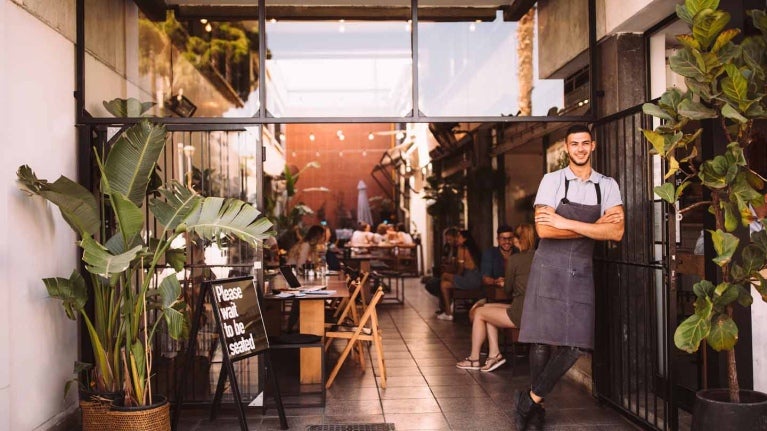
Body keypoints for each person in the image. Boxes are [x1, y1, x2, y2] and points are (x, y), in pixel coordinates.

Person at [514, 124, 624, 430]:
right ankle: (538, 410)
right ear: (566, 148)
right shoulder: (552, 181)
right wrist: (593, 228)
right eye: (574, 144)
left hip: (581, 271)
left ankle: (530, 399)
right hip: (549, 267)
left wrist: (566, 221)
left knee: (575, 344)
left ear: (593, 146)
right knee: (541, 341)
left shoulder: (607, 185)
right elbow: (543, 230)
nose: (580, 148)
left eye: (584, 143)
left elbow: (616, 231)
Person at [456, 224, 536, 372]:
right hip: (532, 309)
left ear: (518, 239)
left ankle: (474, 359)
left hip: (521, 312)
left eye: (512, 238)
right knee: (486, 309)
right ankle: (494, 355)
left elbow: (508, 289)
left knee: (480, 312)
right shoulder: (539, 257)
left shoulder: (516, 258)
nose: (510, 242)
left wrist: (506, 282)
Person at [437, 229, 482, 321]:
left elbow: (460, 270)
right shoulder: (473, 249)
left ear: (464, 239)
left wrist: (454, 278)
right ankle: (449, 311)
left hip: (470, 279)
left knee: (445, 276)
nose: (457, 239)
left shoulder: (462, 249)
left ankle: (447, 308)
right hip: (476, 279)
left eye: (459, 237)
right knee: (444, 284)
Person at [424, 227, 459, 314]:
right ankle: (445, 305)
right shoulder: (447, 247)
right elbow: (444, 260)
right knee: (431, 283)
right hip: (447, 273)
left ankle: (446, 307)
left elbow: (456, 267)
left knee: (440, 284)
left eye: (450, 239)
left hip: (454, 275)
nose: (448, 241)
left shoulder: (459, 249)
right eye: (447, 239)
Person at [480, 224, 517, 291]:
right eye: (503, 239)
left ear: (513, 238)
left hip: (516, 294)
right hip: (494, 296)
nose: (507, 242)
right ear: (498, 239)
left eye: (510, 238)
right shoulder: (490, 253)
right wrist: (495, 281)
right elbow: (485, 279)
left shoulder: (518, 252)